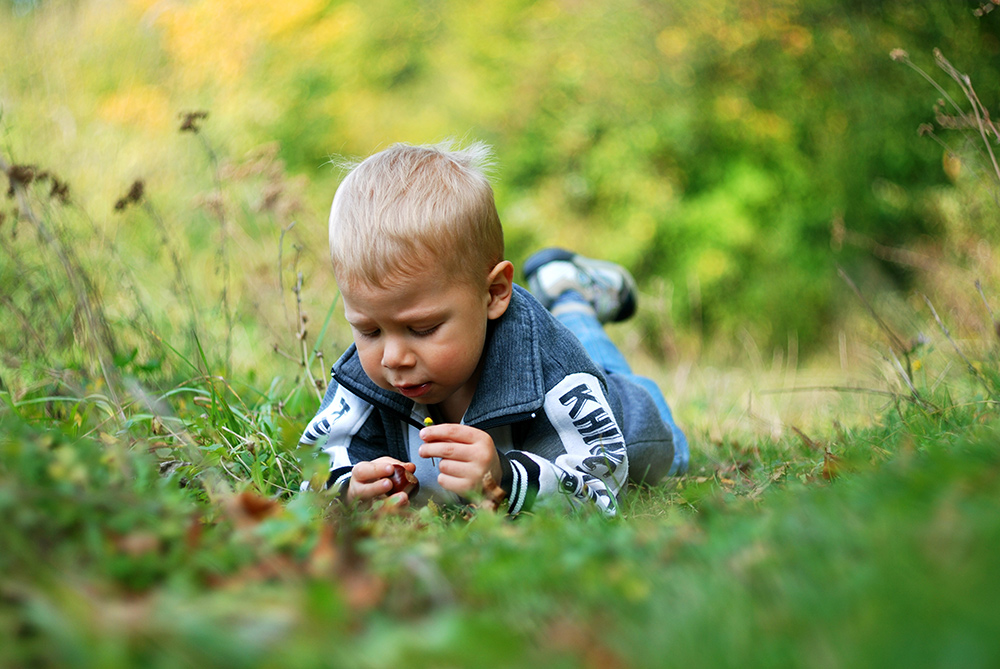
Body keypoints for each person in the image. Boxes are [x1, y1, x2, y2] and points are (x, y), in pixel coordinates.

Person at [299, 141, 688, 516]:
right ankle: (563, 289)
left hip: (627, 421)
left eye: (423, 328)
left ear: (494, 293)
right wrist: (350, 488)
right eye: (369, 330)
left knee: (664, 439)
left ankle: (572, 299)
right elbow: (316, 467)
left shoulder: (560, 376)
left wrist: (507, 476)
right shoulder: (369, 373)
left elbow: (598, 497)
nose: (393, 357)